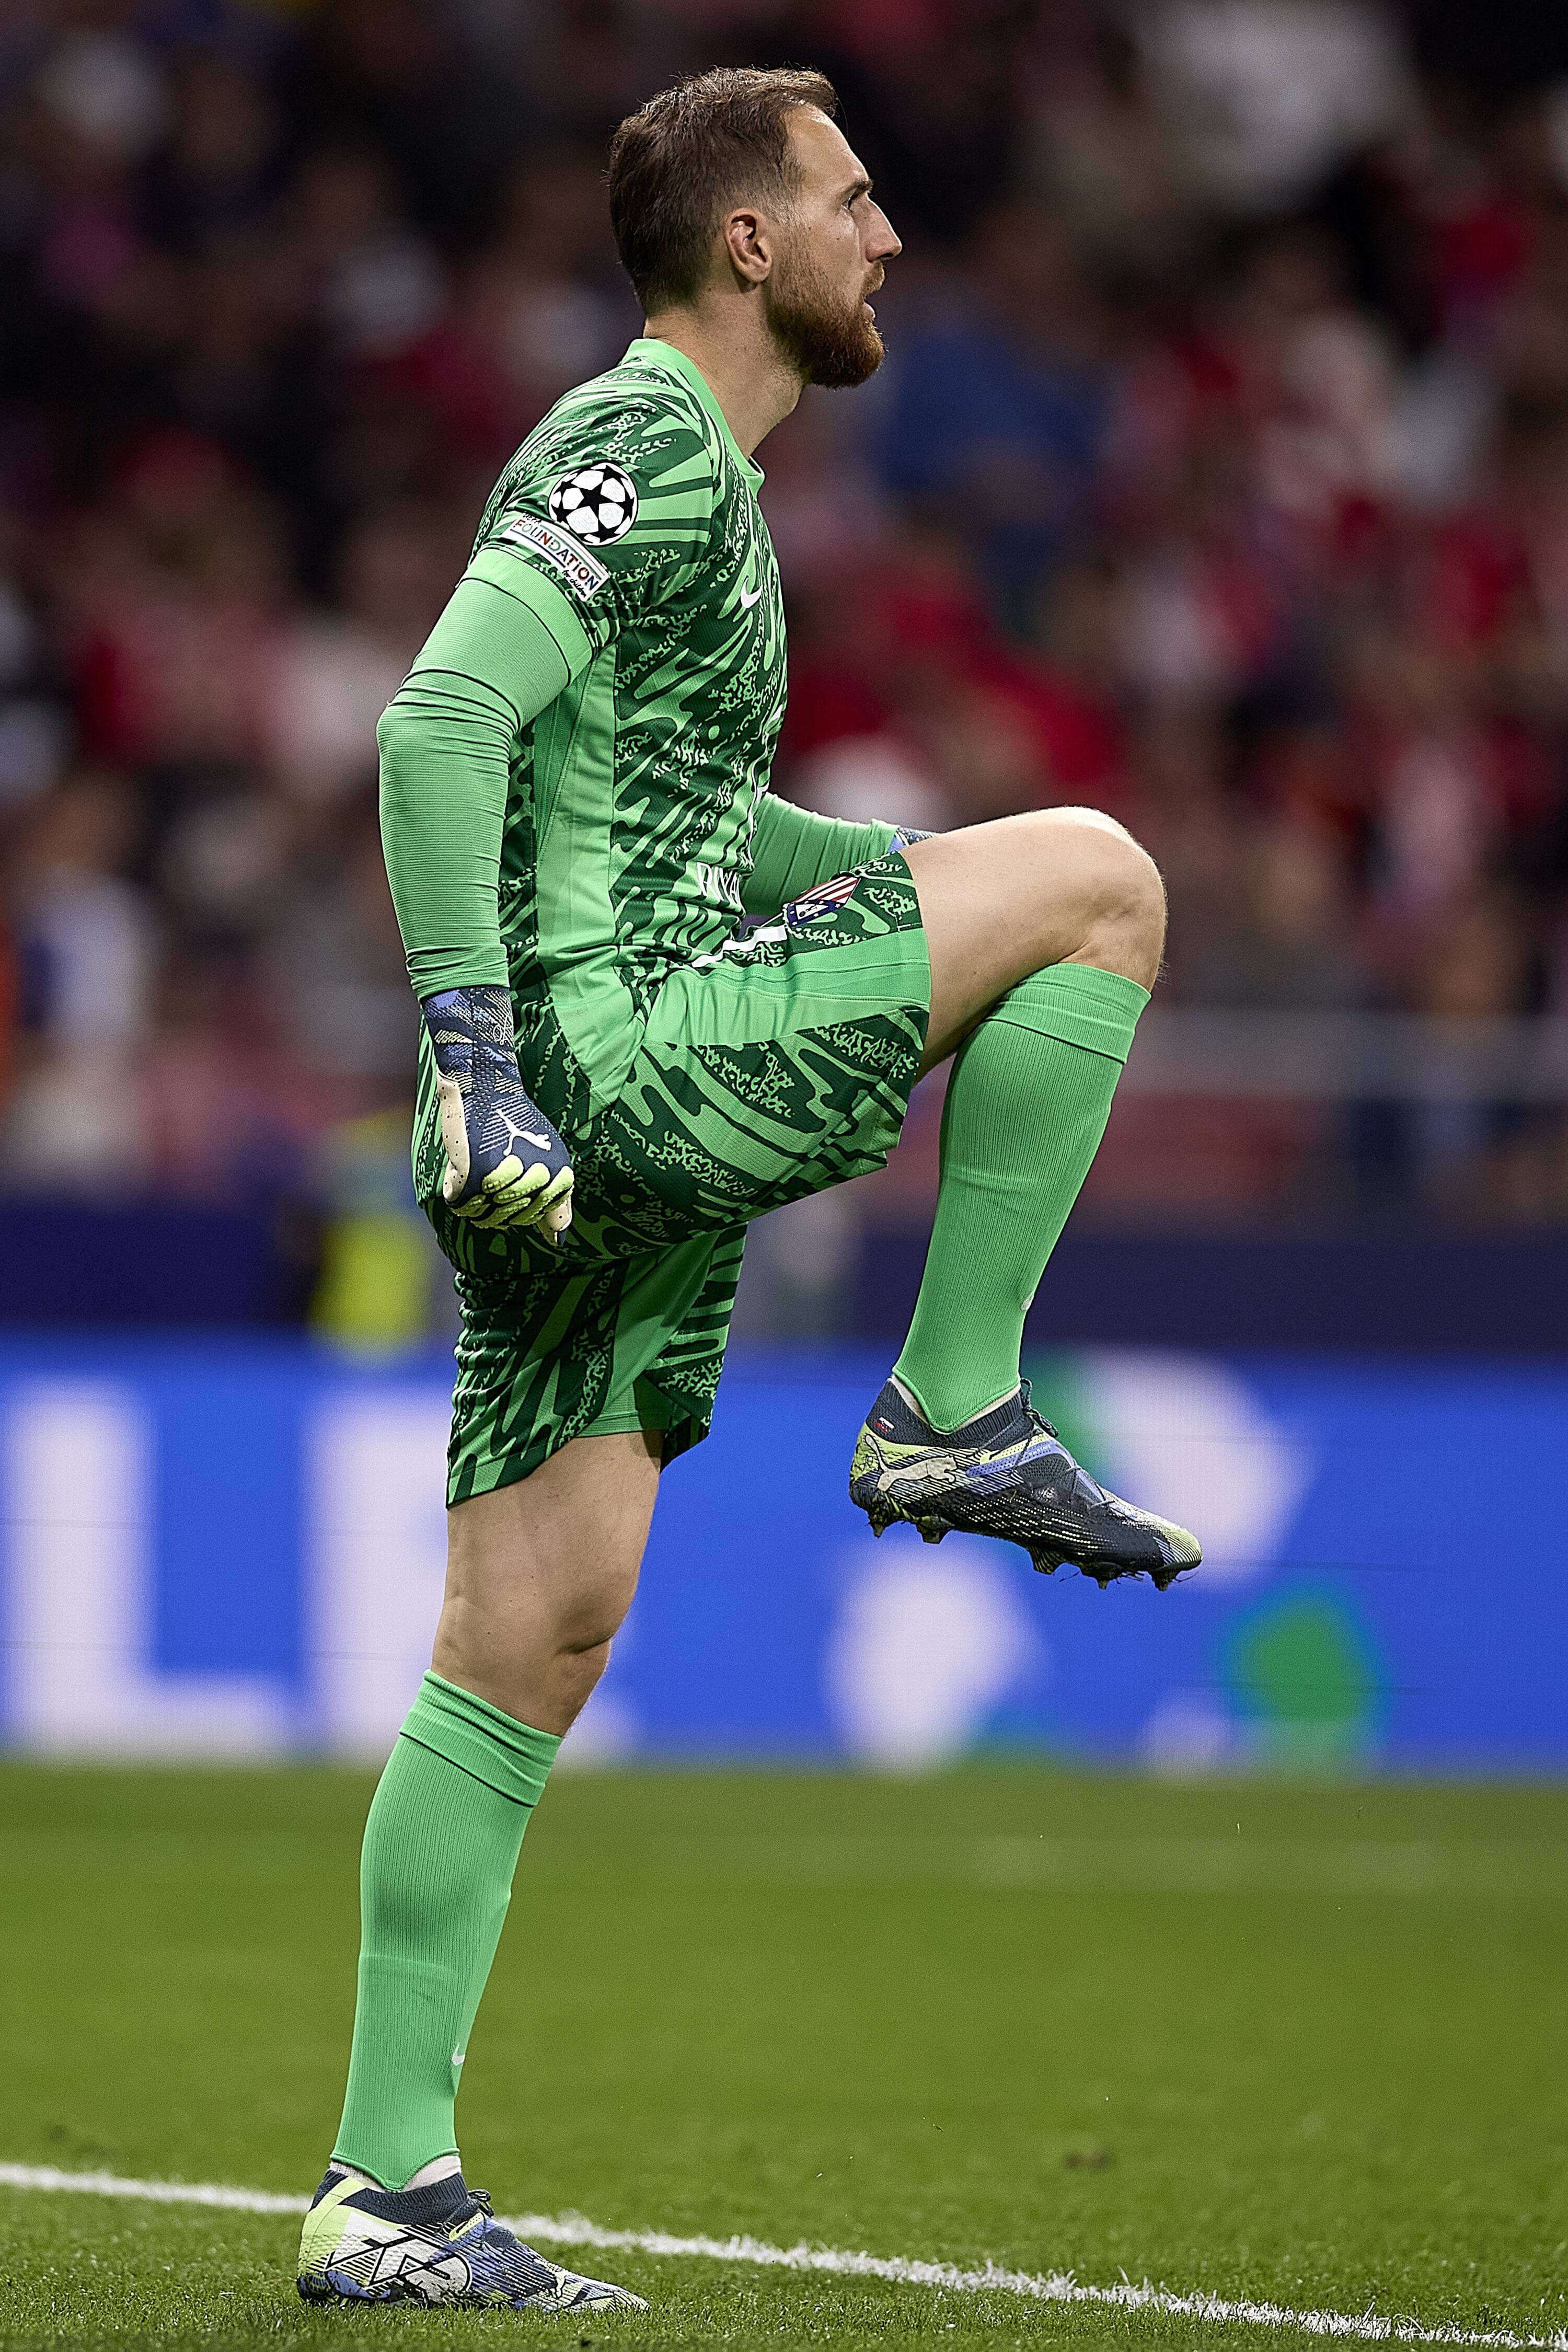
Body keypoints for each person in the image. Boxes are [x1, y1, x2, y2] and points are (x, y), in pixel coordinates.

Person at [297, 65, 1200, 2315]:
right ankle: (957, 1403)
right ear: (746, 247)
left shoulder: (711, 485)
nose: (890, 237)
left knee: (540, 1626)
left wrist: (895, 879)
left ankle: (381, 2192)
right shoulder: (639, 445)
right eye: (853, 199)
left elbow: (693, 831)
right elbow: (435, 726)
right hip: (612, 1069)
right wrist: (481, 1054)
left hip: (587, 1112)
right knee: (1098, 882)